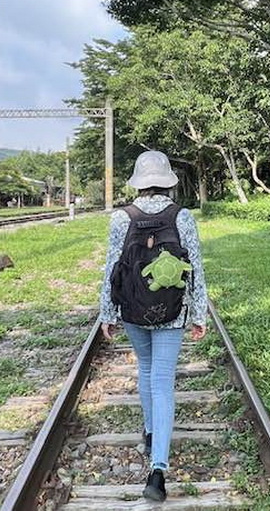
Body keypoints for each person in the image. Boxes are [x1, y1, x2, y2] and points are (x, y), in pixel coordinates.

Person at [98, 150, 209, 502]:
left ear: (138, 183)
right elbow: (196, 267)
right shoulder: (183, 217)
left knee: (145, 370)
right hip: (172, 312)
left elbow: (111, 269)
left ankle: (149, 432)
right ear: (167, 182)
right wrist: (199, 313)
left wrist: (108, 313)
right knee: (163, 382)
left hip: (132, 309)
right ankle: (157, 470)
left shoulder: (121, 218)